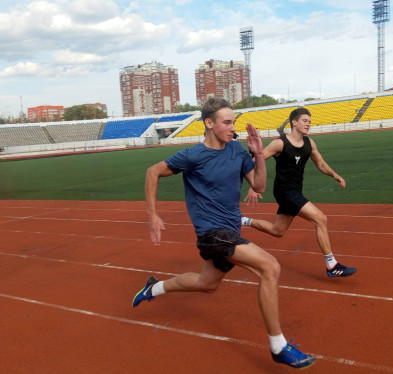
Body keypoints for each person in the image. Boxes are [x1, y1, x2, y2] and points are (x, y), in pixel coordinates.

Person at [132, 98, 315, 369]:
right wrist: (152, 214)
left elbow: (259, 184)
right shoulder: (192, 155)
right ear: (209, 123)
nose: (232, 127)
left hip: (229, 229)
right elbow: (152, 172)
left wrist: (258, 154)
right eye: (227, 122)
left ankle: (154, 287)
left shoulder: (238, 152)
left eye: (234, 122)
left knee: (207, 283)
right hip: (210, 232)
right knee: (270, 267)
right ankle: (278, 346)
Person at [242, 107, 357, 278]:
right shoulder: (279, 143)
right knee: (320, 218)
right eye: (305, 121)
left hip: (295, 191)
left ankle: (242, 220)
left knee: (277, 231)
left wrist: (335, 175)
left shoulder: (309, 144)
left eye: (309, 122)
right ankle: (331, 265)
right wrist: (253, 184)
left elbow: (320, 163)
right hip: (285, 192)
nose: (308, 124)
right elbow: (255, 160)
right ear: (294, 122)